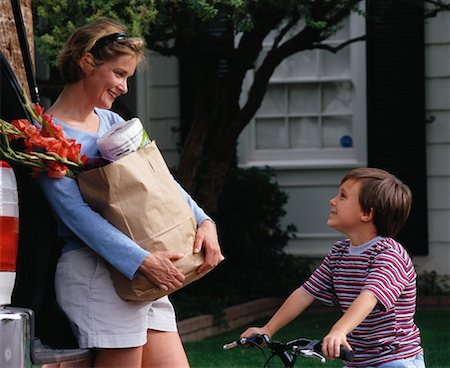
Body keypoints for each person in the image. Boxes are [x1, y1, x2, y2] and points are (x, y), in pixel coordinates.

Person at [37, 18, 224, 367]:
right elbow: (75, 215)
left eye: (128, 77)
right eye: (119, 74)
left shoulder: (112, 125)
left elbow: (160, 181)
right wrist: (140, 260)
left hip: (143, 272)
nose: (124, 87)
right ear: (87, 63)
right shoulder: (47, 137)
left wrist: (204, 220)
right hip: (99, 271)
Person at [241, 167, 425, 368]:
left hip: (395, 358)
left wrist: (339, 330)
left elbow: (370, 296)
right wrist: (268, 329)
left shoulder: (390, 255)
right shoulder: (340, 252)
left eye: (343, 196)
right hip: (357, 359)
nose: (332, 201)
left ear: (366, 213)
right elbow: (305, 293)